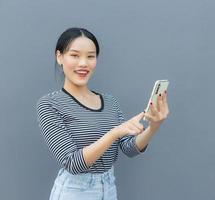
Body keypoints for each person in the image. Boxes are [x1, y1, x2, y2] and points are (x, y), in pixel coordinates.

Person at [36, 27, 170, 200]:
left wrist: (154, 127)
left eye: (90, 56)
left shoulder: (109, 102)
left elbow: (129, 148)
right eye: (75, 55)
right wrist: (114, 133)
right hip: (74, 191)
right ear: (59, 57)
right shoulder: (49, 104)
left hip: (108, 188)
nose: (83, 63)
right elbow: (72, 163)